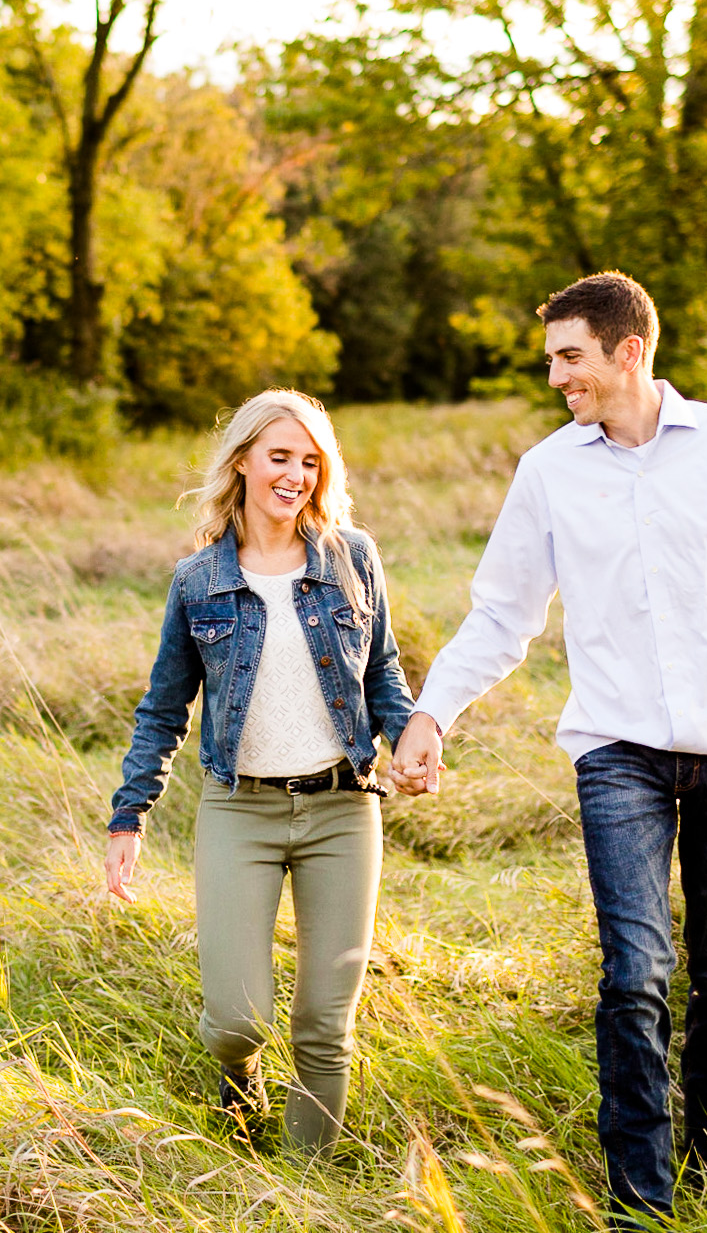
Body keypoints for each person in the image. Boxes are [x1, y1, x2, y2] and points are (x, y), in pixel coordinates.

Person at [392, 272, 707, 1224]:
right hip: (617, 752)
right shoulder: (549, 471)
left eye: (569, 356)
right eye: (554, 358)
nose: (557, 376)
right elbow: (502, 614)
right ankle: (643, 1196)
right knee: (634, 971)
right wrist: (432, 713)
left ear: (628, 349)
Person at [104, 388, 416, 1153]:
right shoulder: (198, 580)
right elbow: (163, 708)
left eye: (311, 461)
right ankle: (237, 1077)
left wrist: (410, 735)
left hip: (343, 809)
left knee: (323, 1023)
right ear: (242, 461)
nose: (296, 475)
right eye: (280, 457)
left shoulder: (353, 556)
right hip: (239, 811)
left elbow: (383, 672)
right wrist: (128, 815)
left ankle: (305, 1188)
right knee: (238, 1017)